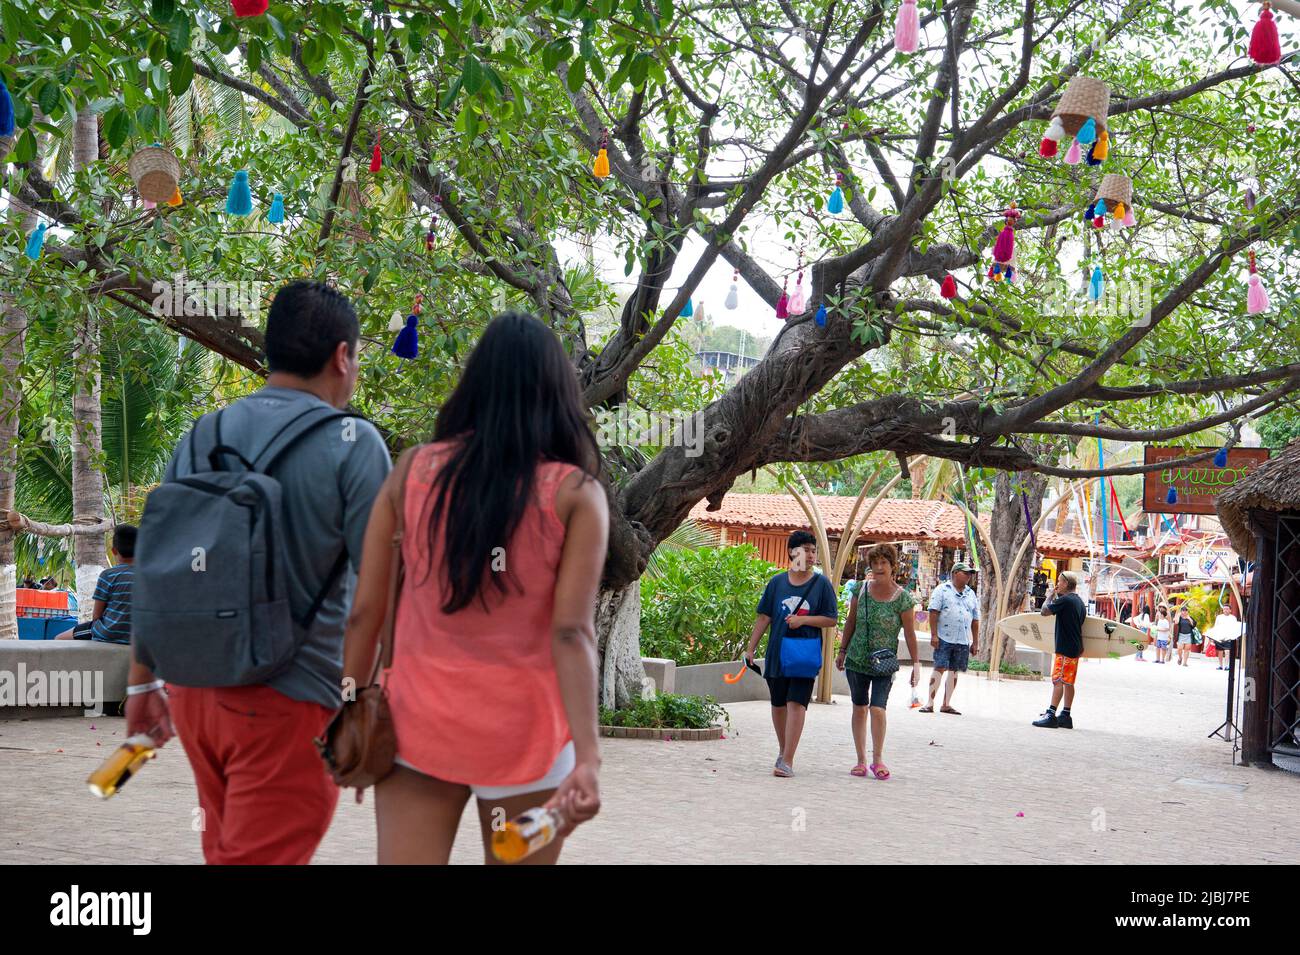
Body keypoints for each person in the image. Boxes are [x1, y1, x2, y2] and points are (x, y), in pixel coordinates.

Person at [125, 280, 391, 865]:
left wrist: (143, 683)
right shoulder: (355, 443)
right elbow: (376, 596)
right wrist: (360, 705)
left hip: (194, 696)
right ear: (342, 357)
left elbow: (157, 566)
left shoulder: (203, 433)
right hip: (289, 705)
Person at [342, 311, 606, 865]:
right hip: (530, 737)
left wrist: (347, 711)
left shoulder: (412, 471)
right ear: (557, 393)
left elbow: (365, 612)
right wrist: (588, 758)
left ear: (474, 384)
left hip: (418, 729)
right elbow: (571, 632)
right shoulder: (576, 496)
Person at [745, 530, 837, 778]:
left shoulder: (821, 584)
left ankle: (787, 760)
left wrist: (804, 622)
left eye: (813, 550)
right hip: (777, 653)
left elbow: (831, 619)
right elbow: (764, 616)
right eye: (805, 549)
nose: (810, 554)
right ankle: (783, 749)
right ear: (791, 552)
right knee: (778, 704)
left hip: (804, 655)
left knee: (797, 703)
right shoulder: (777, 583)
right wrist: (750, 648)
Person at [836, 543, 919, 780]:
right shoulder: (860, 590)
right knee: (859, 707)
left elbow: (911, 634)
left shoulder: (902, 599)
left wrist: (915, 665)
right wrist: (842, 650)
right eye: (875, 563)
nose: (879, 567)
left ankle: (878, 759)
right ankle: (861, 760)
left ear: (893, 567)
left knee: (878, 709)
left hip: (884, 662)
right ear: (870, 566)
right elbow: (850, 621)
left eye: (884, 563)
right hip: (857, 659)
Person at [55, 524, 136, 644]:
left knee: (59, 639)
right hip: (140, 636)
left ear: (114, 551)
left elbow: (96, 616)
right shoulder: (149, 576)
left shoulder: (108, 575)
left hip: (108, 633)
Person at [920, 562, 979, 714]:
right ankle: (930, 702)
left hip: (962, 639)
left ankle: (946, 704)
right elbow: (933, 612)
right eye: (965, 573)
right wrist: (933, 635)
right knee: (939, 668)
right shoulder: (942, 590)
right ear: (955, 573)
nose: (968, 576)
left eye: (970, 573)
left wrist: (975, 642)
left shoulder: (971, 593)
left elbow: (975, 619)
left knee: (954, 671)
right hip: (944, 637)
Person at [1033, 571, 1087, 729]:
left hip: (1064, 647)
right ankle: (1065, 715)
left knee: (1058, 680)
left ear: (1066, 584)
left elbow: (1044, 612)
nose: (1057, 584)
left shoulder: (1065, 600)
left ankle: (1051, 715)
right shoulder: (1078, 602)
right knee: (1068, 682)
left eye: (1059, 582)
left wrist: (1049, 595)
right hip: (1075, 647)